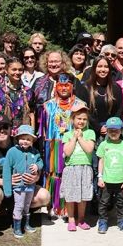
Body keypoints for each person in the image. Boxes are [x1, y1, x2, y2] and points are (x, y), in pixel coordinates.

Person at [38, 69, 87, 217]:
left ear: (72, 86)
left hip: (73, 145)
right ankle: (53, 205)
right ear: (56, 87)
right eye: (60, 85)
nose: (64, 88)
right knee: (53, 173)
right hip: (53, 145)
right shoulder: (48, 106)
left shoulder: (80, 105)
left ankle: (68, 208)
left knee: (70, 174)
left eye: (67, 85)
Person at [3, 125, 43, 237]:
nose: (25, 141)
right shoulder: (12, 152)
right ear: (17, 139)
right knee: (19, 205)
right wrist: (7, 190)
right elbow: (6, 170)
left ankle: (26, 224)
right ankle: (17, 227)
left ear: (32, 141)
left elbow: (40, 162)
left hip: (30, 185)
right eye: (23, 138)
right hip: (18, 186)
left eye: (28, 139)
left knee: (27, 205)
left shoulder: (35, 152)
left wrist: (37, 166)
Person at [96, 116, 123, 234]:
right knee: (103, 202)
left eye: (116, 130)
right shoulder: (103, 145)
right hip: (107, 180)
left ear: (121, 130)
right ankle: (102, 221)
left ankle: (122, 221)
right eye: (110, 130)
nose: (113, 133)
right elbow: (101, 161)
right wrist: (100, 177)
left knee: (121, 203)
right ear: (106, 131)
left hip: (120, 180)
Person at [61, 107, 96, 230]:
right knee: (70, 195)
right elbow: (67, 152)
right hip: (71, 168)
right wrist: (74, 138)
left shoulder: (90, 133)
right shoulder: (67, 135)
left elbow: (89, 149)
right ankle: (71, 219)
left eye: (84, 119)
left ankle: (81, 219)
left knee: (83, 196)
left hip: (85, 168)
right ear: (72, 119)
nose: (81, 121)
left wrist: (80, 137)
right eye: (79, 118)